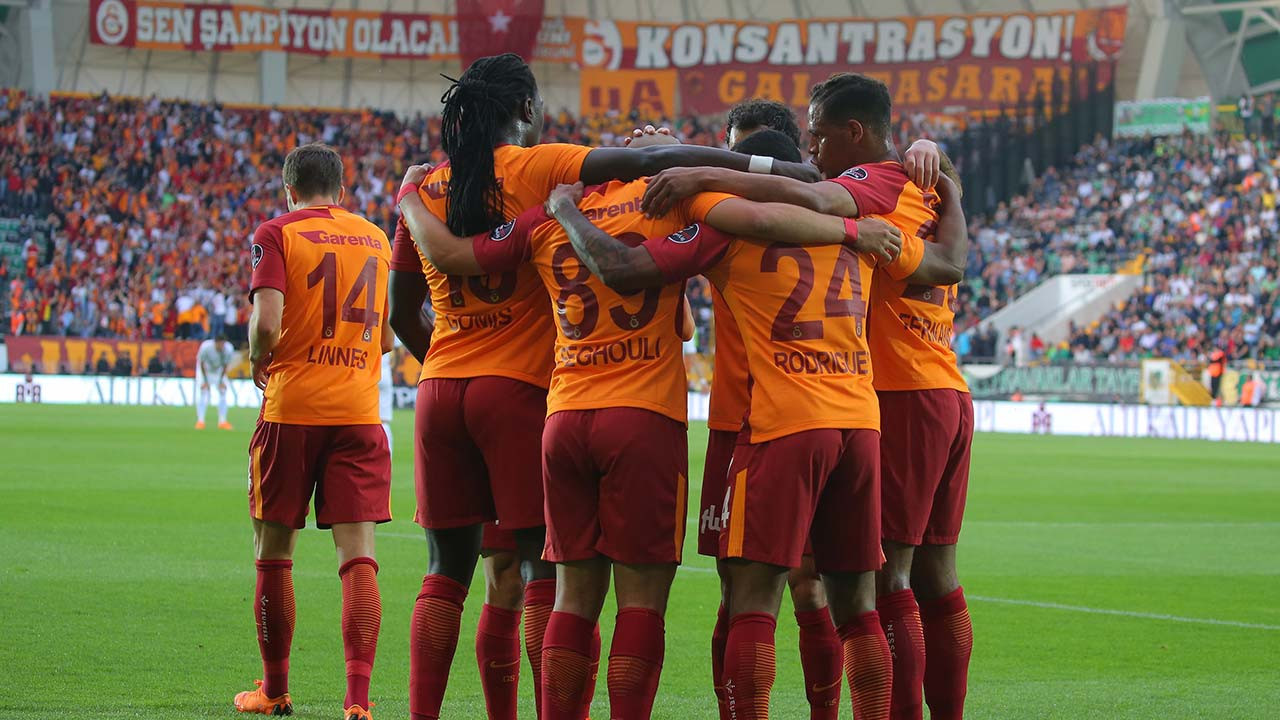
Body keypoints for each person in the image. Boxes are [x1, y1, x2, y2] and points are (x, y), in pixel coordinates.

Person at [386, 51, 867, 720]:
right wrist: (794, 186)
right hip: (633, 412)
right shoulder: (651, 195)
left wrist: (409, 199)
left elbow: (452, 262)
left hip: (539, 407)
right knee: (631, 599)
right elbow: (723, 243)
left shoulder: (549, 212)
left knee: (536, 589)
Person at [634, 72, 972, 720]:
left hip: (800, 410)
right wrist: (945, 173)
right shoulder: (900, 198)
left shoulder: (835, 202)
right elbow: (948, 261)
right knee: (877, 587)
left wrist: (684, 170)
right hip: (888, 401)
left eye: (819, 135)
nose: (815, 148)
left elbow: (643, 264)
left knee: (765, 592)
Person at [233, 143, 393, 720]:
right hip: (359, 413)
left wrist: (258, 357)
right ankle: (358, 702)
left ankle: (275, 691)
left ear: (289, 190)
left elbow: (266, 324)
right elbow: (388, 339)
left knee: (274, 554)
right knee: (359, 560)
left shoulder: (277, 233)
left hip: (292, 410)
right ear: (341, 191)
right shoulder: (376, 237)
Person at [196, 333, 236, 430]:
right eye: (220, 344)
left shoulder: (229, 349)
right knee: (203, 392)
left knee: (223, 392)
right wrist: (205, 381)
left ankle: (222, 421)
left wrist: (221, 381)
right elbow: (201, 363)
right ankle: (200, 421)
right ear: (215, 343)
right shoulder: (205, 347)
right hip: (205, 370)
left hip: (219, 371)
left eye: (223, 344)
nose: (221, 346)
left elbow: (226, 365)